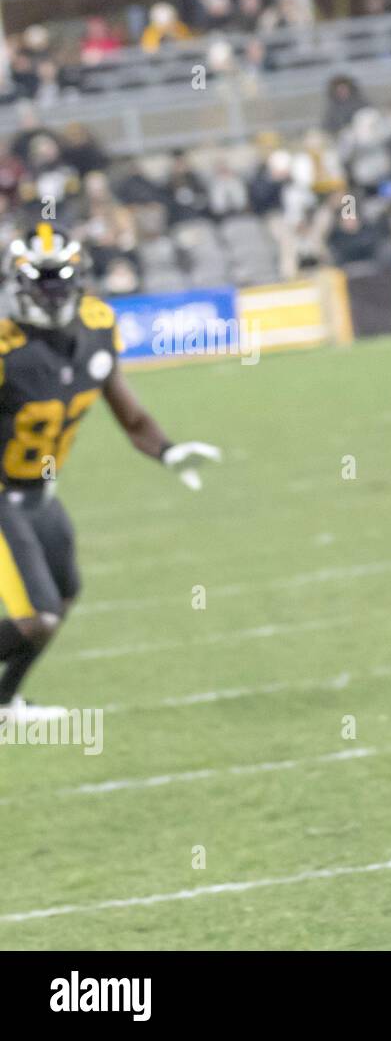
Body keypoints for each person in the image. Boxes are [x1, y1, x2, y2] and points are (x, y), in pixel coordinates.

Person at [0, 225, 220, 722]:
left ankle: (4, 701)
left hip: (40, 491)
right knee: (38, 618)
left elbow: (128, 411)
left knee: (64, 594)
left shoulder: (97, 324)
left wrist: (167, 451)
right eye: (42, 280)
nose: (53, 291)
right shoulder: (5, 346)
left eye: (62, 279)